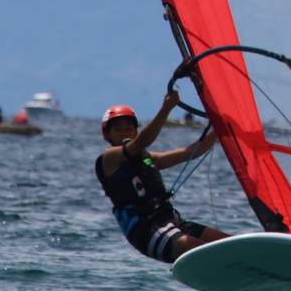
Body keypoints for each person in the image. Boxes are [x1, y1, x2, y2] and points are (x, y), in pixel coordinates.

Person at [96, 88, 228, 263]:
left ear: (135, 131)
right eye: (118, 130)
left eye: (129, 128)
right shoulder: (108, 158)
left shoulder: (148, 158)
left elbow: (190, 152)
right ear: (107, 135)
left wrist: (220, 129)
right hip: (146, 231)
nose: (124, 133)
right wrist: (167, 108)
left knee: (228, 242)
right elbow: (142, 142)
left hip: (171, 222)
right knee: (205, 251)